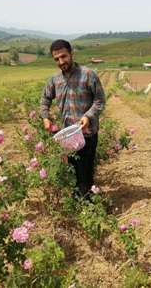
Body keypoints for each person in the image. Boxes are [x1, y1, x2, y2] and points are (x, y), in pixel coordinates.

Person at [40, 39, 105, 197]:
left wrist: (88, 116)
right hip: (68, 135)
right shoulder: (55, 80)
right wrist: (45, 117)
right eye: (57, 59)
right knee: (73, 171)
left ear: (71, 54)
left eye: (64, 56)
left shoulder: (88, 75)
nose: (61, 61)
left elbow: (100, 100)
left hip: (87, 134)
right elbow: (44, 100)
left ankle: (88, 207)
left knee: (85, 173)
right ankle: (81, 202)